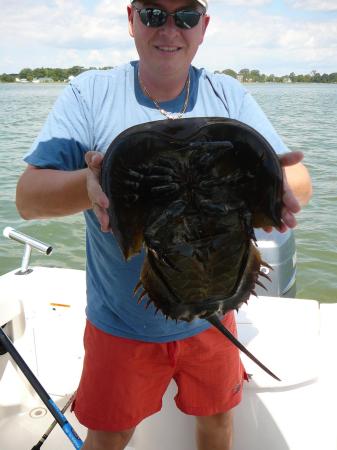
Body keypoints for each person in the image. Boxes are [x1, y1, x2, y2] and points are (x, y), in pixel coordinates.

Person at [16, 1, 312, 449]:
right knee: (110, 434)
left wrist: (277, 188)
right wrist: (89, 185)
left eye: (186, 16)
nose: (169, 28)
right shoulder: (89, 93)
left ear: (203, 26)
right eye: (154, 13)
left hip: (218, 308)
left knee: (217, 422)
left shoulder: (228, 95)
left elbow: (299, 181)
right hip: (121, 325)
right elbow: (27, 199)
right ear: (132, 19)